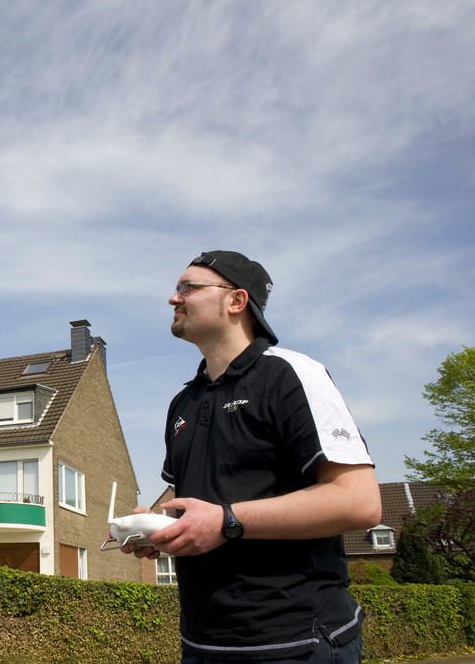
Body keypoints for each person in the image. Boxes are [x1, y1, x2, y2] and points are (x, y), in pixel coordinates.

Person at [124, 250, 382, 663]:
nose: (174, 298)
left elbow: (359, 501)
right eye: (176, 288)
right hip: (202, 644)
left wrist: (226, 521)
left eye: (188, 287)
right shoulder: (182, 403)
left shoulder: (290, 374)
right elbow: (197, 508)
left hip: (296, 643)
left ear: (236, 300)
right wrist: (159, 529)